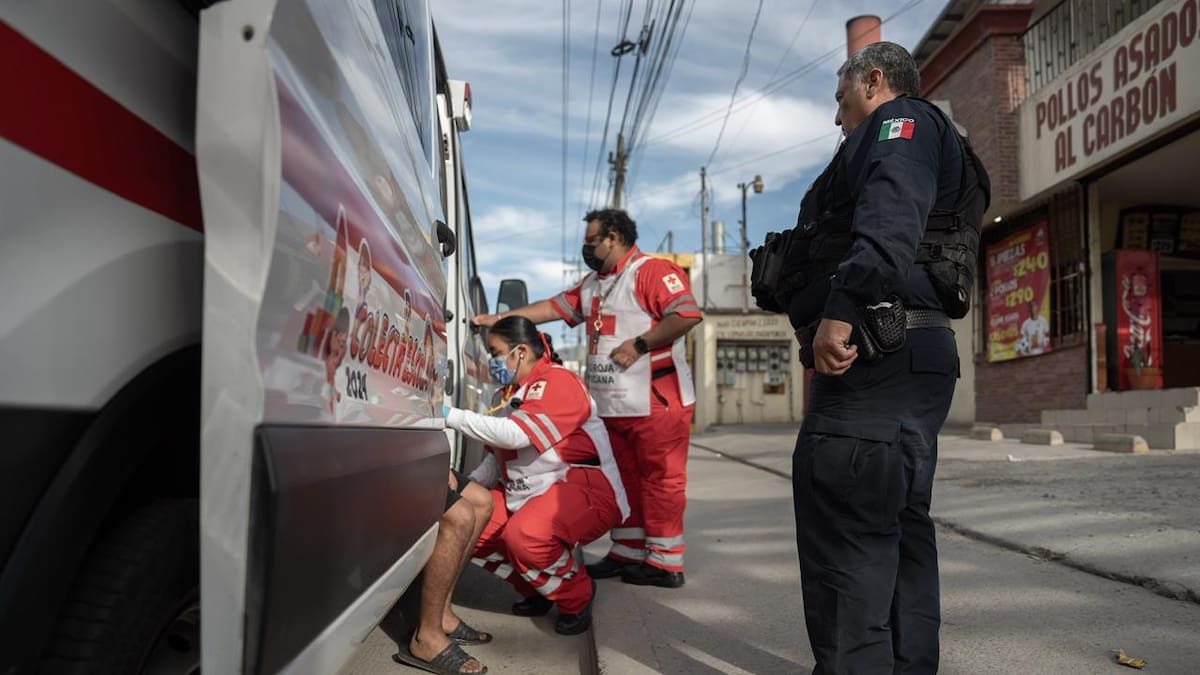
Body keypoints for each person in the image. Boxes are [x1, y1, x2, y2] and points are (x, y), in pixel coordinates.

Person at [782, 42, 990, 674]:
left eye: (841, 97)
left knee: (848, 528)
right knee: (894, 524)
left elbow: (891, 218)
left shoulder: (900, 123)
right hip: (906, 350)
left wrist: (840, 310)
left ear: (873, 80)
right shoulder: (923, 134)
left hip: (878, 350)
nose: (838, 114)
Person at [473, 209, 702, 588]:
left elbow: (687, 315)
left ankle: (665, 561)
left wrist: (640, 344)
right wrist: (498, 320)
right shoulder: (594, 284)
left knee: (662, 479)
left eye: (591, 240)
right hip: (614, 405)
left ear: (613, 238)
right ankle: (628, 552)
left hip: (658, 399)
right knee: (625, 478)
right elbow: (551, 308)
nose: (586, 246)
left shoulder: (653, 272)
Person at [446, 317, 630, 634]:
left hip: (581, 487)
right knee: (470, 525)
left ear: (519, 352)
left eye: (495, 352)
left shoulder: (558, 382)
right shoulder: (506, 395)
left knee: (526, 536)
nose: (492, 361)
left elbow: (515, 436)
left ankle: (576, 596)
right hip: (527, 492)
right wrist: (468, 489)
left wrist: (450, 416)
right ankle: (539, 589)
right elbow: (497, 459)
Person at [394, 471, 494, 675]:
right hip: (391, 453)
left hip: (418, 450)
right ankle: (427, 637)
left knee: (482, 502)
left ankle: (442, 614)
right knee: (460, 516)